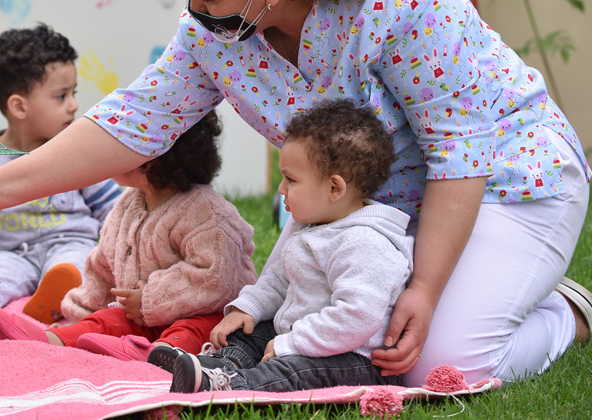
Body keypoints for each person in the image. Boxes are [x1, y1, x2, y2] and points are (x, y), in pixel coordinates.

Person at [0, 0, 592, 386]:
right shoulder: (215, 34)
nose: (192, 11)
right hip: (368, 213)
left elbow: (458, 150)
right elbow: (132, 121)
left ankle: (565, 314)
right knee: (339, 338)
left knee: (436, 364)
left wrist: (428, 288)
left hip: (505, 181)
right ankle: (483, 291)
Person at [156, 100, 412, 392]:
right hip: (304, 337)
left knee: (296, 370)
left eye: (290, 180)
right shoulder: (316, 227)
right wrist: (248, 309)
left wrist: (292, 343)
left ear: (334, 188)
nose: (280, 189)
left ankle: (231, 385)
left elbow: (356, 317)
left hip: (354, 359)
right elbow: (280, 280)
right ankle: (222, 364)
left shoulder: (365, 243)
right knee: (252, 331)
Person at [0, 112, 257, 360]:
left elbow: (216, 278)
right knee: (107, 320)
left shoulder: (208, 214)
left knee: (193, 331)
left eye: (117, 148)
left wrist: (149, 298)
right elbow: (103, 268)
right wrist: (76, 316)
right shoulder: (128, 204)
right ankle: (52, 340)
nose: (106, 155)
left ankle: (157, 357)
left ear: (148, 160)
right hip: (143, 319)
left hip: (206, 317)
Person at [0, 24, 120, 324]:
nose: (74, 105)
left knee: (75, 267)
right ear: (19, 107)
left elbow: (113, 211)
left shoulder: (78, 147)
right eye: (61, 96)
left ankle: (60, 296)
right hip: (12, 253)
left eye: (73, 93)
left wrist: (118, 261)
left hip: (69, 242)